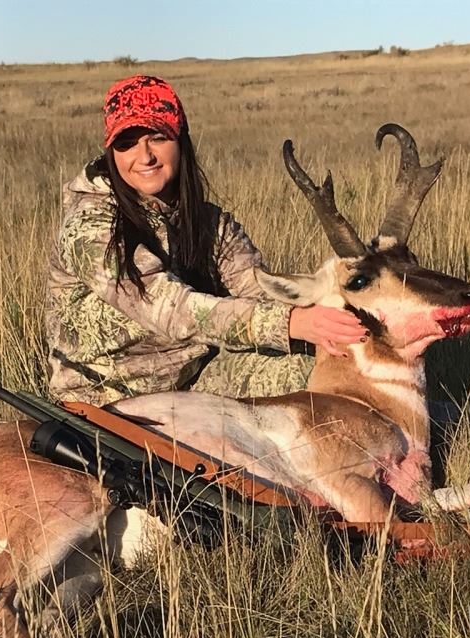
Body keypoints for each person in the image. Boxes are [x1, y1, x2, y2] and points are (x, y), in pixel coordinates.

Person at [45, 74, 366, 405]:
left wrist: (333, 307)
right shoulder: (89, 228)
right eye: (126, 143)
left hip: (192, 380)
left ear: (181, 141)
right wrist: (291, 323)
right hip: (104, 402)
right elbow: (172, 309)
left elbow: (258, 289)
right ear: (111, 152)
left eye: (157, 137)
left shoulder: (208, 223)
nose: (144, 156)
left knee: (314, 368)